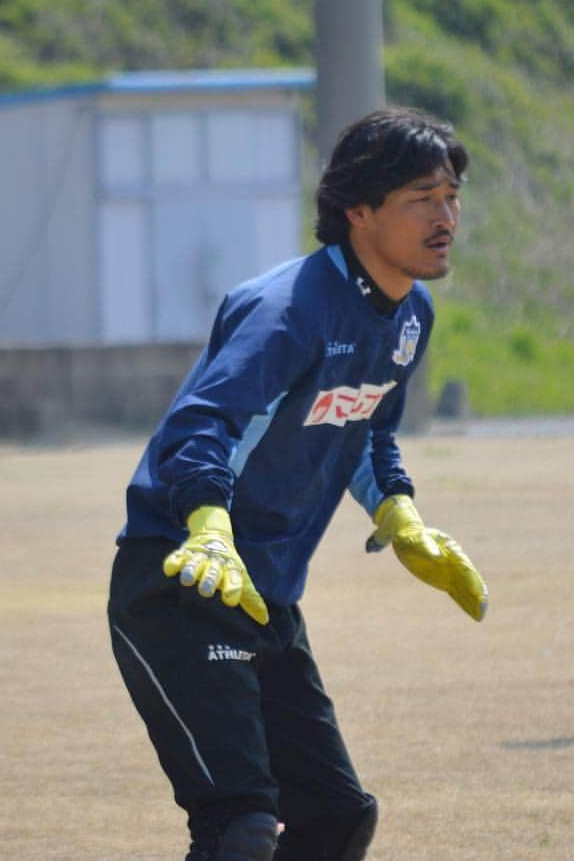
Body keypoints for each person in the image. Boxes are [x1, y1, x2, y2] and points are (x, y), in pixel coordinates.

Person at [107, 107, 489, 861]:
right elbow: (198, 426)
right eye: (422, 197)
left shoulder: (411, 315)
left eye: (452, 195)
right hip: (179, 580)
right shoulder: (286, 310)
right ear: (359, 210)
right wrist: (210, 526)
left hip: (267, 595)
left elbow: (367, 430)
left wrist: (401, 514)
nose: (445, 215)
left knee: (336, 820)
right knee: (240, 828)